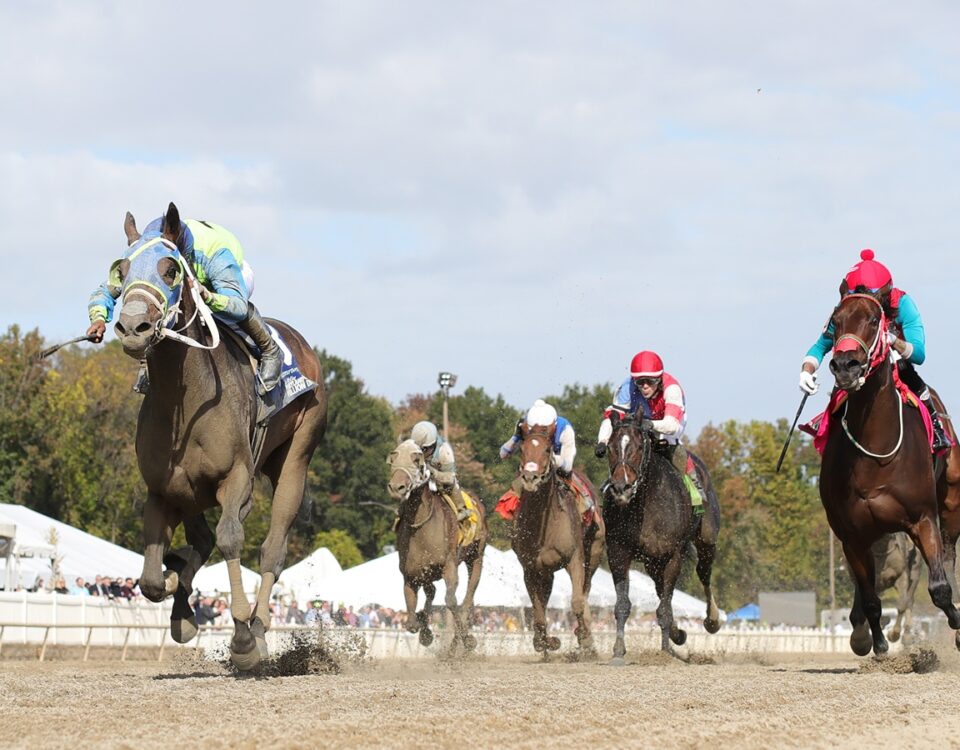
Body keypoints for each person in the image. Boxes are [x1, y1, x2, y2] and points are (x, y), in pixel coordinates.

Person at [86, 204, 282, 395]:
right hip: (183, 275)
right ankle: (149, 360)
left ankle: (269, 349)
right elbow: (105, 290)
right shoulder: (146, 254)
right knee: (160, 306)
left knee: (225, 310)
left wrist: (207, 295)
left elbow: (237, 305)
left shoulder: (214, 254)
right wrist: (99, 318)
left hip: (227, 277)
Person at [798, 249, 948, 451]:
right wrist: (806, 371)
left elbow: (919, 354)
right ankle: (827, 430)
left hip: (894, 363)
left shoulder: (903, 303)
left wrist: (894, 341)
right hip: (858, 366)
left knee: (911, 376)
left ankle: (936, 428)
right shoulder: (847, 310)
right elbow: (821, 345)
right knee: (839, 387)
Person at [594, 351, 705, 510]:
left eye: (650, 381)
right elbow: (611, 418)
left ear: (659, 379)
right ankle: (613, 486)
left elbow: (671, 425)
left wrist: (651, 425)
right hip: (641, 421)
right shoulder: (626, 387)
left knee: (670, 442)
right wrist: (602, 441)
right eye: (640, 382)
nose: (644, 386)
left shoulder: (671, 389)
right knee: (622, 445)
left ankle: (694, 487)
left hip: (669, 422)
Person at [499, 399, 576, 479]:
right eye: (532, 431)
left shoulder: (566, 430)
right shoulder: (524, 426)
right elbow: (503, 455)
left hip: (558, 469)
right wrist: (515, 437)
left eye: (544, 431)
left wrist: (550, 458)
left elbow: (568, 466)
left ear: (554, 426)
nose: (538, 434)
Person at [410, 420, 471, 521]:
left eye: (424, 449)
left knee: (451, 485)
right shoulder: (415, 444)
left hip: (441, 479)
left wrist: (434, 473)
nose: (420, 452)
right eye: (418, 448)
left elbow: (450, 477)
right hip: (420, 477)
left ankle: (462, 510)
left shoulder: (444, 451)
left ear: (432, 445)